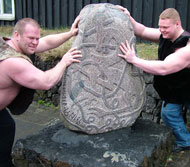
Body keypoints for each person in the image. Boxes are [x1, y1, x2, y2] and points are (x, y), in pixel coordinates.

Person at [0, 17, 82, 167]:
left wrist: (70, 33)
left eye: (37, 38)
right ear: (17, 35)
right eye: (31, 38)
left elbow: (47, 42)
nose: (35, 42)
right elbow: (45, 82)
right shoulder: (14, 62)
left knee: (7, 126)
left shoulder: (9, 44)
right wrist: (64, 62)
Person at [117, 6, 190, 153]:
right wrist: (128, 17)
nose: (162, 30)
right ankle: (185, 142)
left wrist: (134, 59)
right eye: (160, 27)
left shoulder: (187, 48)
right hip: (175, 91)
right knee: (169, 114)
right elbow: (142, 31)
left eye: (165, 27)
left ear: (177, 24)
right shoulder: (165, 34)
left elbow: (163, 68)